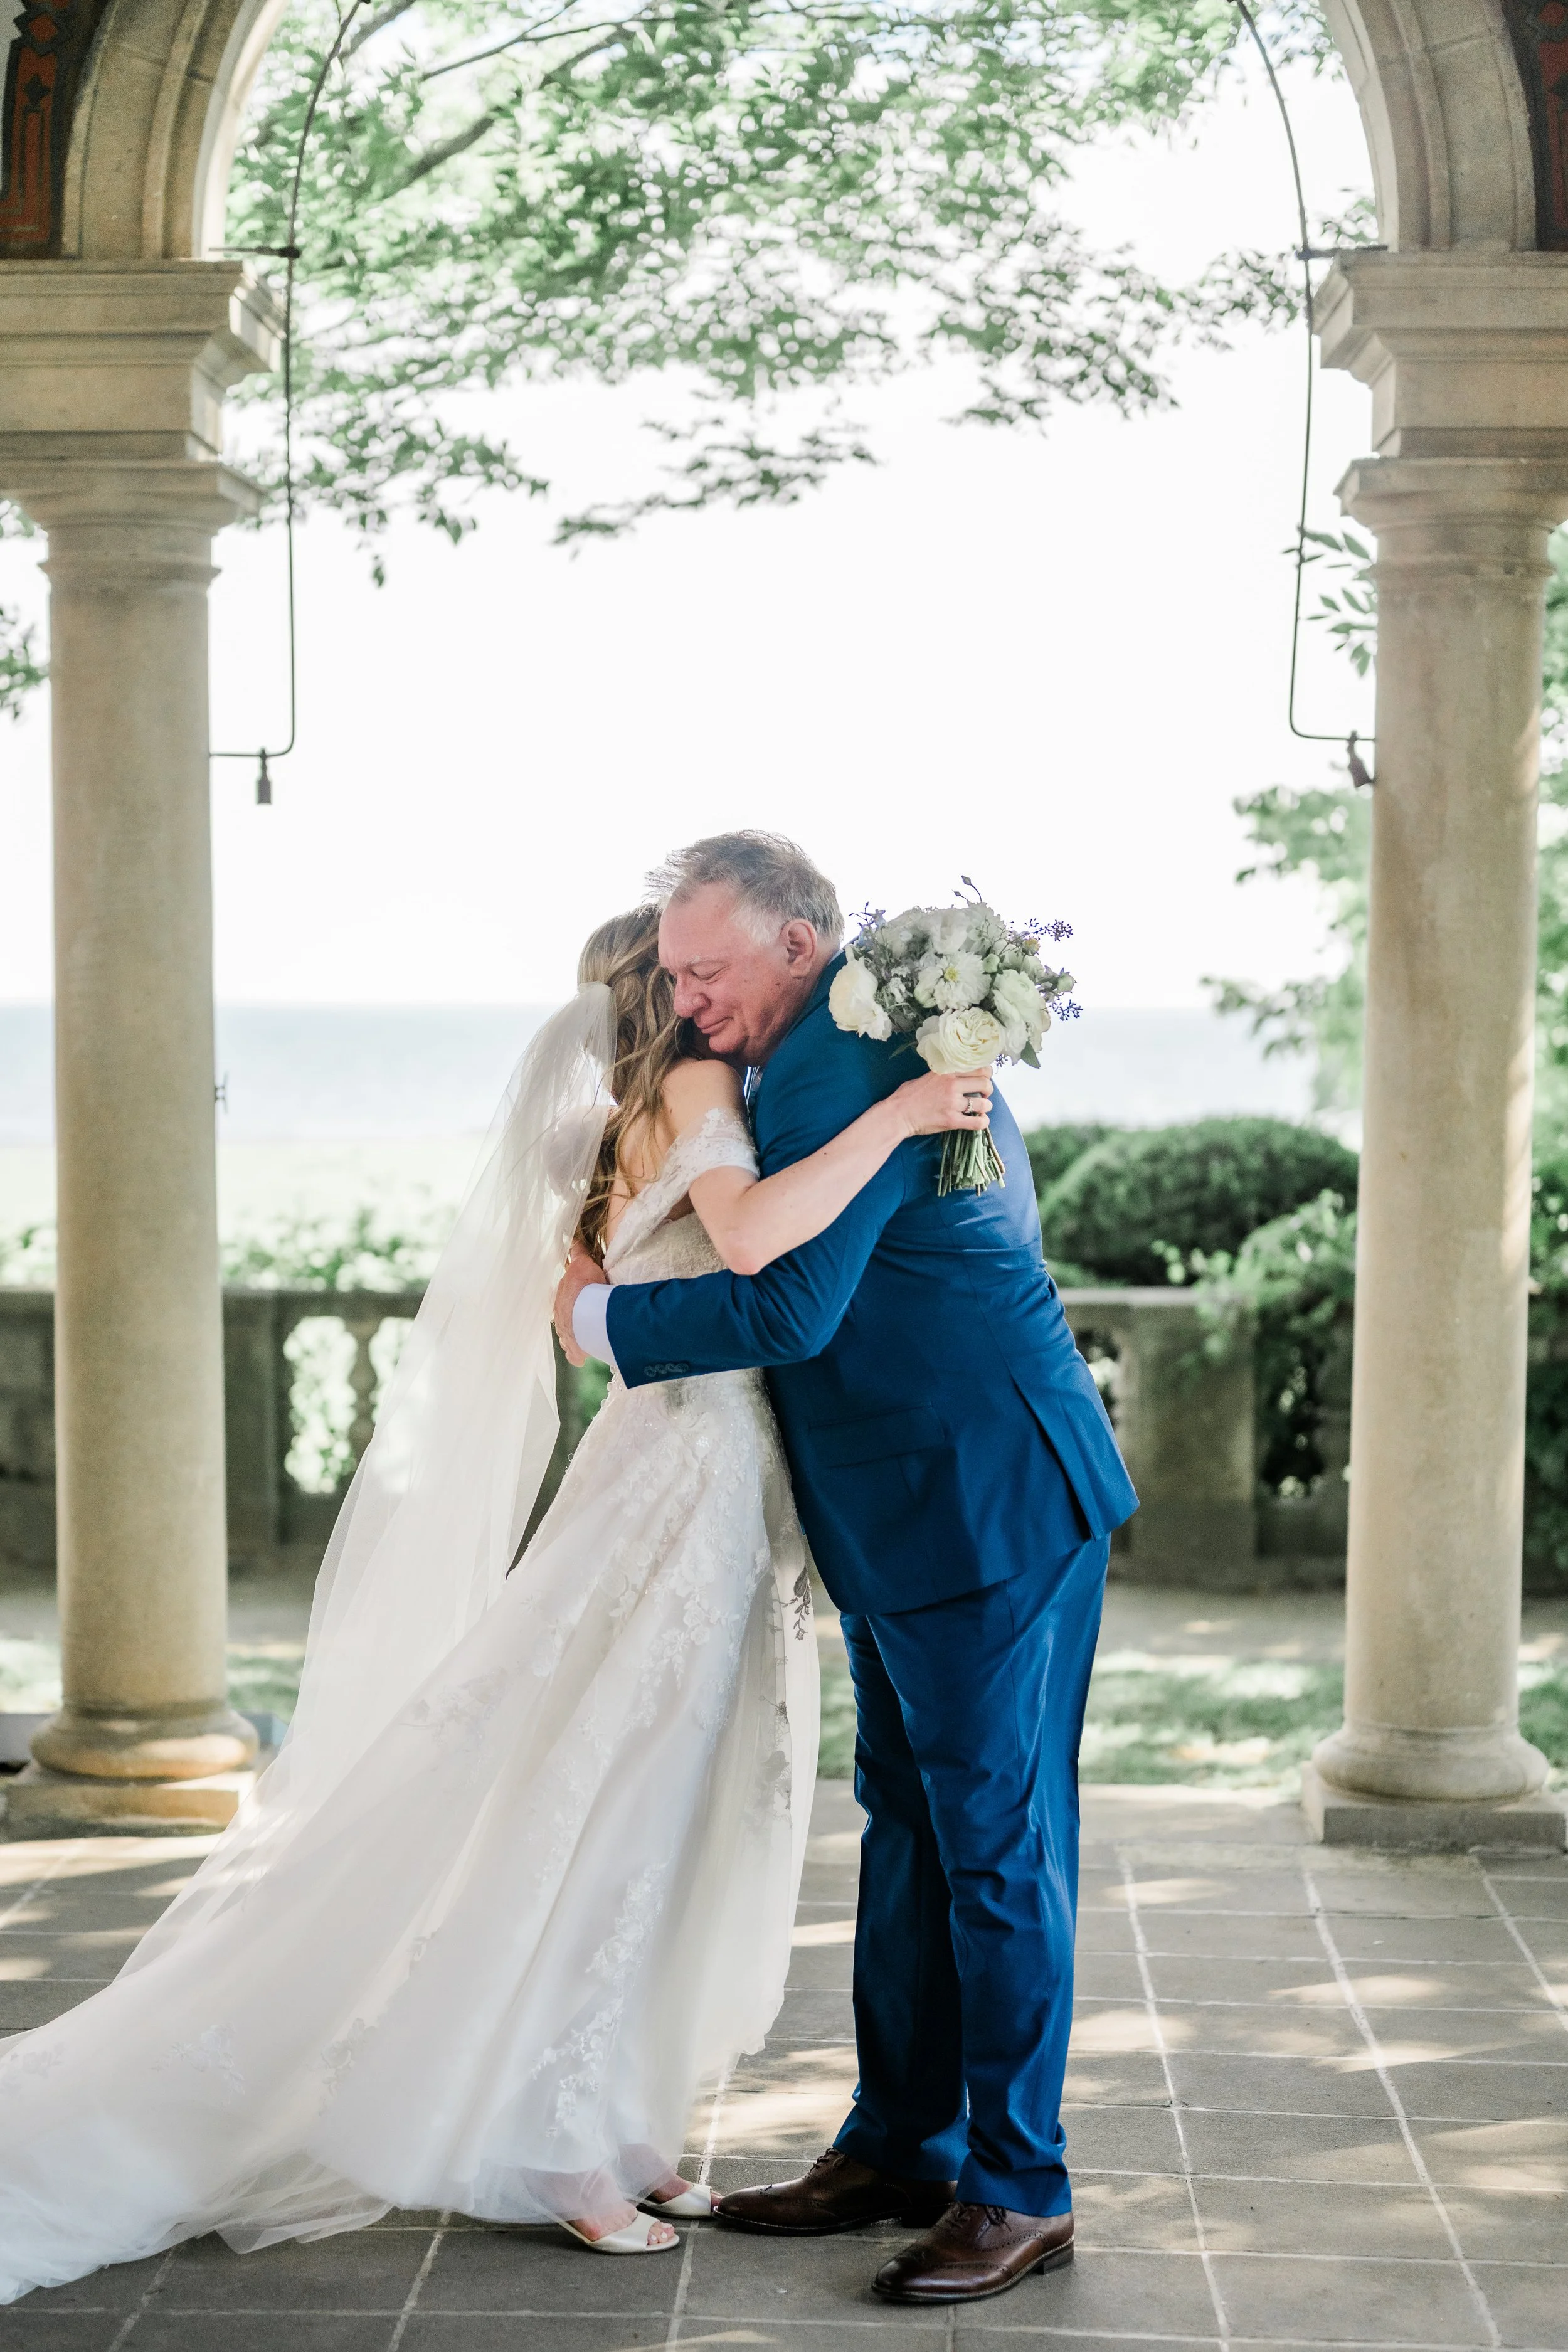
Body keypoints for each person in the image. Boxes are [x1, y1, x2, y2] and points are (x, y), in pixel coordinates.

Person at [0, 904, 987, 2305]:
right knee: (633, 1803)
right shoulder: (701, 1089)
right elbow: (757, 1238)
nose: (714, 999)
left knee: (642, 1794)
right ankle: (559, 2150)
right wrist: (896, 1118)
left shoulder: (597, 1114)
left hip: (672, 1462)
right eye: (693, 976)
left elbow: (573, 1291)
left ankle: (619, 2126)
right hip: (692, 1475)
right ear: (663, 989)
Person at [556, 832, 1138, 2308]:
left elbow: (792, 1307)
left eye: (706, 967)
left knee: (995, 1854)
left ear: (799, 946)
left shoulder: (836, 1066)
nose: (682, 1000)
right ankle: (899, 2143)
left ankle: (1018, 2189)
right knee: (907, 1828)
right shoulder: (870, 1038)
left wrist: (600, 1329)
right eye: (673, 971)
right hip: (922, 1499)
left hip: (978, 1504)